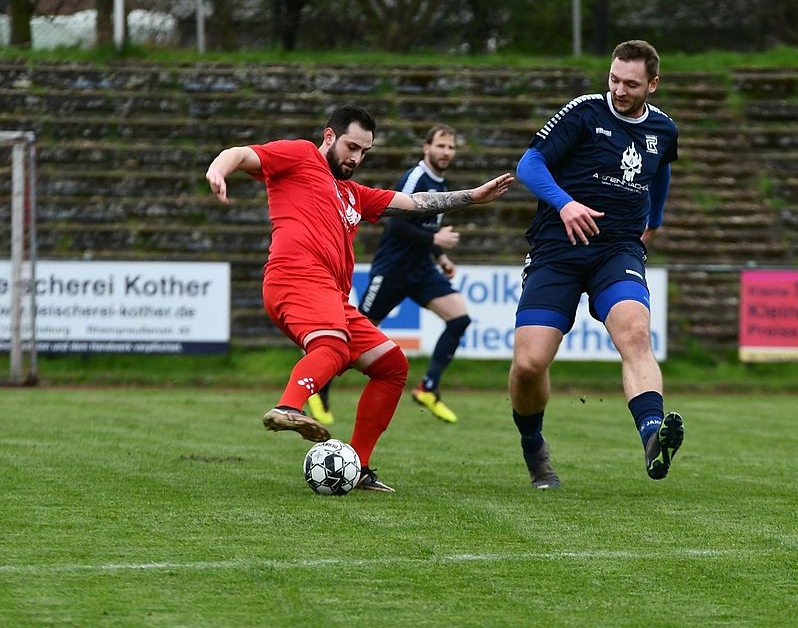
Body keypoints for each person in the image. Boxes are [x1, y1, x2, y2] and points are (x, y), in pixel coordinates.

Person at [205, 105, 513, 493]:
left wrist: (473, 196)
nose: (356, 158)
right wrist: (218, 169)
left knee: (392, 366)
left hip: (331, 295)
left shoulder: (354, 195)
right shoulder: (300, 155)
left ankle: (359, 465)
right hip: (294, 277)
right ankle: (288, 407)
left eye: (364, 152)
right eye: (351, 146)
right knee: (333, 346)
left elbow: (414, 203)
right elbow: (241, 153)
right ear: (330, 136)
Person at [508, 40, 685, 489]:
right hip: (557, 249)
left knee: (636, 332)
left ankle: (651, 435)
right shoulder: (585, 112)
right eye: (614, 79)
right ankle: (535, 448)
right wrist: (566, 204)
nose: (620, 90)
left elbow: (660, 172)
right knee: (530, 363)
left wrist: (654, 222)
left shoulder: (664, 129)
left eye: (631, 83)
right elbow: (528, 165)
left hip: (616, 251)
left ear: (653, 84)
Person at [310, 124, 469, 424]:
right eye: (441, 146)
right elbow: (395, 223)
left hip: (421, 269)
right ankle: (319, 390)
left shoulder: (443, 186)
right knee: (353, 336)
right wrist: (435, 242)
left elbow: (426, 229)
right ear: (427, 148)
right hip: (393, 270)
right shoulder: (416, 177)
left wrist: (441, 257)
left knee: (459, 318)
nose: (446, 152)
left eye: (451, 147)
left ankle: (428, 389)